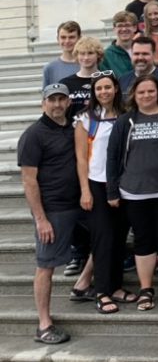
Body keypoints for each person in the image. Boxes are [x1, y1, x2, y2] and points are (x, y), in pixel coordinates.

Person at [106, 75, 158, 311]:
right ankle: (146, 288)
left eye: (150, 91)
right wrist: (112, 190)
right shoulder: (124, 121)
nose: (146, 96)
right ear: (133, 96)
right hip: (134, 191)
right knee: (143, 239)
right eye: (141, 92)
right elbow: (112, 157)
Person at [19, 83, 79, 344]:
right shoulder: (33, 134)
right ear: (43, 103)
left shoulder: (73, 129)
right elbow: (29, 180)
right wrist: (41, 219)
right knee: (46, 266)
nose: (57, 104)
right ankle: (44, 324)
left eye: (61, 99)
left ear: (68, 102)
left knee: (106, 240)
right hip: (53, 210)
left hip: (81, 204)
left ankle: (82, 283)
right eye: (51, 99)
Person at [74, 73, 136, 314]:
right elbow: (80, 158)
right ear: (94, 92)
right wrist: (84, 191)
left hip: (123, 183)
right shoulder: (86, 119)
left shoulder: (126, 115)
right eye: (99, 88)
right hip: (97, 183)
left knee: (120, 236)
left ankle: (115, 286)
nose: (104, 92)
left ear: (116, 89)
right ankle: (101, 291)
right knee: (103, 237)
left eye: (107, 87)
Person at [43, 21, 82, 87]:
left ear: (79, 38)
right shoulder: (50, 68)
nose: (67, 41)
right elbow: (46, 95)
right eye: (63, 37)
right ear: (58, 39)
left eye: (71, 37)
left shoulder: (88, 64)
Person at [101, 11, 138, 78]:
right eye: (120, 26)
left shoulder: (142, 50)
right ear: (114, 29)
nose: (124, 29)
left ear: (135, 28)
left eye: (127, 25)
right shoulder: (106, 56)